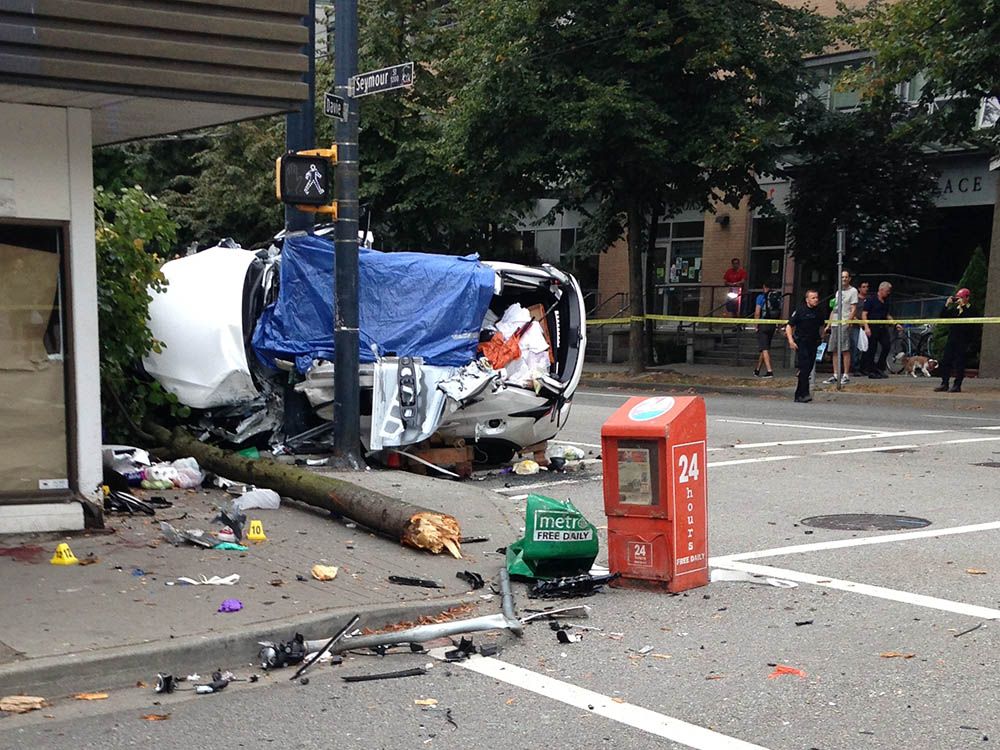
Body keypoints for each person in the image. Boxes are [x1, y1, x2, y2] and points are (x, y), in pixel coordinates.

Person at [786, 289, 823, 403]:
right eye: (813, 298)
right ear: (807, 299)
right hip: (801, 342)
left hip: (813, 343)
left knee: (808, 368)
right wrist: (791, 341)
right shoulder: (800, 311)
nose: (816, 300)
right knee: (805, 367)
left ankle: (799, 394)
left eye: (816, 297)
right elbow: (789, 326)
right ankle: (804, 393)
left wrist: (822, 337)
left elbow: (821, 326)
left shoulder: (819, 311)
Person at [934, 287, 975, 393]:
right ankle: (944, 383)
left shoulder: (971, 309)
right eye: (958, 298)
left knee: (959, 363)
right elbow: (943, 316)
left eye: (961, 298)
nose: (959, 300)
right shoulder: (955, 310)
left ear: (967, 298)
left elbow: (973, 325)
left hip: (963, 340)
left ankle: (957, 385)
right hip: (952, 338)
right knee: (945, 361)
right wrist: (947, 304)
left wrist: (963, 307)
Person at [860, 281, 903, 378]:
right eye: (887, 291)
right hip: (872, 327)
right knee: (872, 349)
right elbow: (864, 314)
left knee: (887, 346)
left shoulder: (886, 301)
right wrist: (866, 327)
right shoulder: (871, 300)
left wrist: (895, 324)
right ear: (881, 290)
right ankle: (871, 370)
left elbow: (887, 315)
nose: (888, 293)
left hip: (882, 327)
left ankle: (880, 367)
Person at [822, 270, 858, 385]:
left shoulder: (853, 291)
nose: (844, 279)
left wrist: (848, 321)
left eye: (846, 277)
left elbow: (853, 308)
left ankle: (846, 374)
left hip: (844, 322)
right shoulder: (838, 292)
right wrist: (829, 324)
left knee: (844, 349)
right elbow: (834, 309)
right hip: (835, 323)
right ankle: (835, 374)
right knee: (834, 349)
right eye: (842, 277)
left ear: (849, 278)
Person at [753, 278, 782, 378]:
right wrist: (778, 326)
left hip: (763, 324)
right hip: (772, 324)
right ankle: (757, 370)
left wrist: (756, 325)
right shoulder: (776, 297)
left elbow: (757, 312)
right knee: (765, 347)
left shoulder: (761, 297)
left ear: (764, 287)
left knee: (764, 348)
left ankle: (769, 371)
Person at [852, 280, 870, 374]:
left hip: (866, 326)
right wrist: (857, 320)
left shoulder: (868, 299)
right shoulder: (856, 300)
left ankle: (864, 367)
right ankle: (856, 367)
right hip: (856, 325)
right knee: (856, 347)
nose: (866, 289)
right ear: (859, 288)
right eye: (863, 287)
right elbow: (852, 311)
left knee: (866, 346)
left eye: (867, 287)